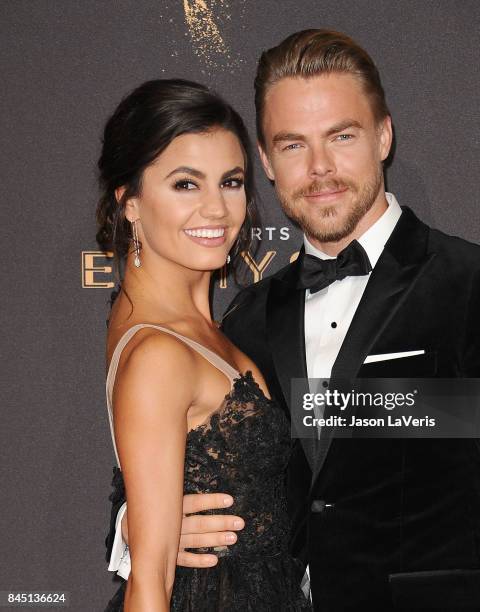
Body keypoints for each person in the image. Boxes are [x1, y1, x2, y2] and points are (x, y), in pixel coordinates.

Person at [106, 31, 480, 611]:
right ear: (265, 160)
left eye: (341, 136)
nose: (320, 168)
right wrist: (137, 531)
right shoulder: (248, 320)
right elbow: (164, 466)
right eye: (292, 146)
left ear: (383, 136)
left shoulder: (472, 286)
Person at [98, 79, 312, 611]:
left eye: (231, 181)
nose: (216, 209)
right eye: (186, 185)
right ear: (130, 202)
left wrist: (143, 518)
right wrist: (145, 528)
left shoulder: (224, 324)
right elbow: (150, 583)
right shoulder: (158, 352)